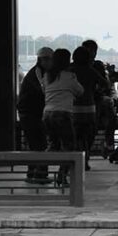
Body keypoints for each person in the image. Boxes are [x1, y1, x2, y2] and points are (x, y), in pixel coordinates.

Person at [41, 48, 83, 185]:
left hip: (47, 114)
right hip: (63, 114)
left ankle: (39, 169)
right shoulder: (69, 76)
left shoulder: (47, 76)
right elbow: (80, 91)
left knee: (53, 145)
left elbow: (44, 91)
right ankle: (61, 175)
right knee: (69, 147)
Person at [17, 47, 54, 184]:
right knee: (39, 144)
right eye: (50, 59)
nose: (52, 62)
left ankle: (33, 173)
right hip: (31, 114)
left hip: (29, 113)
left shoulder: (38, 72)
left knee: (36, 145)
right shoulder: (38, 73)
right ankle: (39, 175)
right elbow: (43, 92)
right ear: (42, 60)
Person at [71, 45, 109, 171]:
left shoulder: (70, 69)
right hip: (90, 108)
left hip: (73, 108)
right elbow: (105, 83)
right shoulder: (90, 70)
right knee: (87, 136)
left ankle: (75, 160)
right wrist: (94, 90)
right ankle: (85, 159)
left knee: (75, 136)